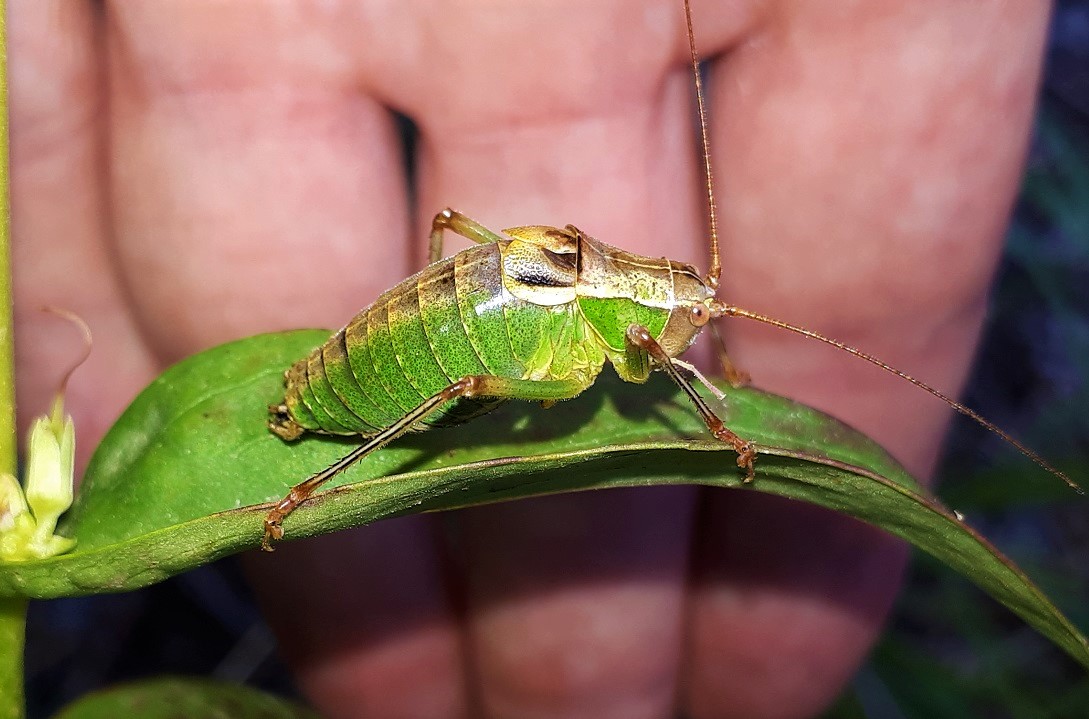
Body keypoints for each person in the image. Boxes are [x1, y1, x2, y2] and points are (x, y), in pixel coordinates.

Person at [10, 1, 1048, 717]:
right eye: (685, 310)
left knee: (474, 270)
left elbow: (671, 342)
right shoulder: (618, 339)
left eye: (691, 312)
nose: (684, 326)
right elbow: (659, 364)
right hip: (417, 355)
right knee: (467, 378)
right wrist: (725, 425)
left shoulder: (647, 313)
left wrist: (705, 344)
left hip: (493, 295)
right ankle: (312, 481)